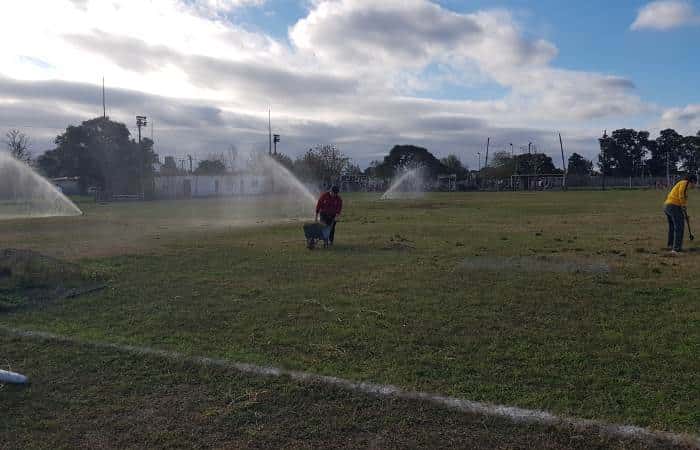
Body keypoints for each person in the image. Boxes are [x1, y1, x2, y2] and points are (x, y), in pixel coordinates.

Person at [664, 174, 697, 254]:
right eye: (695, 183)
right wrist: (683, 205)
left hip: (668, 206)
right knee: (679, 227)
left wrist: (684, 213)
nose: (695, 185)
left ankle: (671, 245)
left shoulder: (683, 184)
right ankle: (676, 249)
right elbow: (681, 194)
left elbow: (682, 199)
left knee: (673, 227)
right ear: (692, 181)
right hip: (673, 206)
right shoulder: (685, 183)